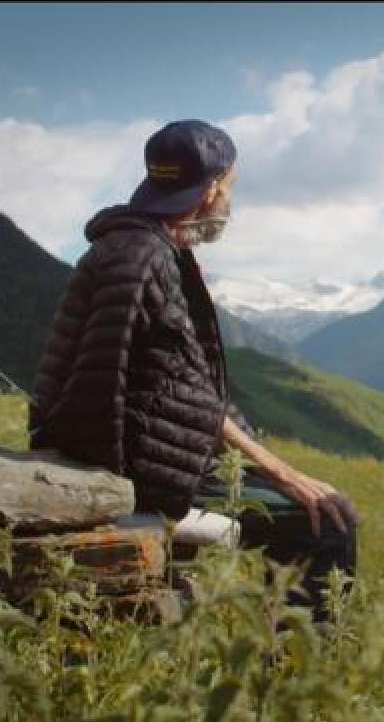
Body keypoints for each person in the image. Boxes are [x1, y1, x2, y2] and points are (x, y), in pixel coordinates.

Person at [28, 119, 360, 620]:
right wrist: (281, 473)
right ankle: (299, 678)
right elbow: (104, 381)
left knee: (315, 507)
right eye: (229, 187)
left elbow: (171, 379)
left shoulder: (139, 246)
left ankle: (276, 659)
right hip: (144, 471)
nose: (229, 200)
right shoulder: (143, 257)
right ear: (210, 192)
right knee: (330, 521)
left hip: (153, 455)